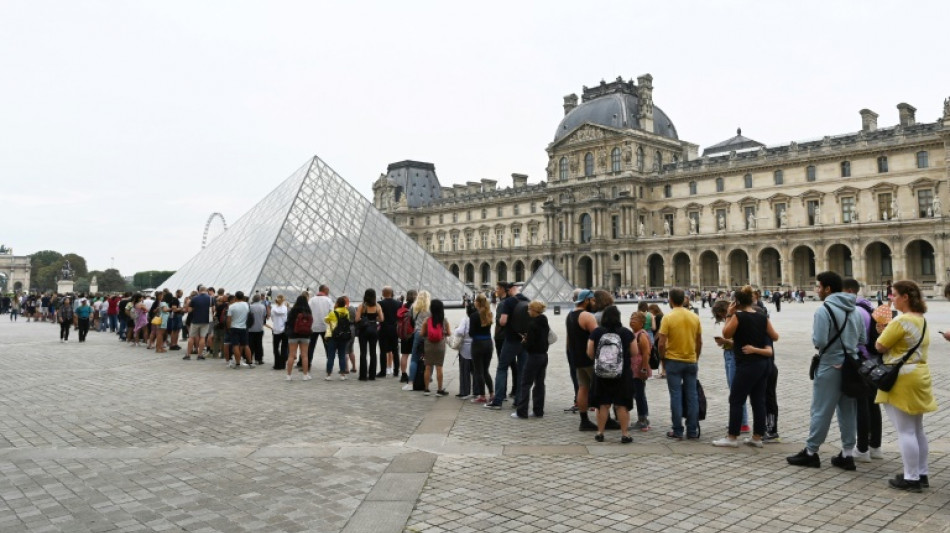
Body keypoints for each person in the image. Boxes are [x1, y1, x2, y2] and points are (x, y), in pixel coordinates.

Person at [787, 271, 864, 470]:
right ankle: (847, 455)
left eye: (818, 286)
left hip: (830, 364)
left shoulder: (824, 310)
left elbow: (819, 341)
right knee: (848, 411)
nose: (817, 290)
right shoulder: (854, 310)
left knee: (821, 410)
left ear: (828, 289)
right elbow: (863, 340)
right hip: (851, 367)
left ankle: (811, 452)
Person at [874, 280, 937, 492]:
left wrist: (882, 330)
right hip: (919, 374)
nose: (891, 298)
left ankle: (911, 478)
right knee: (917, 429)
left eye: (893, 295)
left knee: (905, 431)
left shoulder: (900, 321)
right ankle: (922, 472)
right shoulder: (922, 320)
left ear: (905, 297)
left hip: (900, 377)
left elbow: (880, 346)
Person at [711, 286, 779, 448]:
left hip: (747, 364)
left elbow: (726, 334)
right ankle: (757, 437)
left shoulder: (738, 316)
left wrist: (729, 314)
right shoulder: (762, 316)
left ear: (737, 302)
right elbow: (775, 336)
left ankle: (732, 437)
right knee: (758, 400)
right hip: (763, 364)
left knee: (736, 399)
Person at [842, 278, 884, 462]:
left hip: (861, 361)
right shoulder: (868, 308)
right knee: (874, 405)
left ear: (849, 291)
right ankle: (875, 446)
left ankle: (862, 449)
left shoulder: (855, 311)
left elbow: (855, 339)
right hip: (874, 361)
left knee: (862, 405)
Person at [587, 305, 636, 443]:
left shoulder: (596, 332)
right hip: (622, 374)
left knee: (603, 404)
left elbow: (590, 352)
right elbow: (635, 352)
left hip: (601, 374)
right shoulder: (626, 333)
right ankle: (625, 434)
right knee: (621, 405)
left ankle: (600, 432)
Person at [659, 288, 702, 440]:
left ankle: (677, 430)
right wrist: (696, 356)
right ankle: (692, 431)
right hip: (691, 360)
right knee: (692, 396)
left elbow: (662, 342)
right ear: (684, 299)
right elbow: (699, 341)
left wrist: (662, 357)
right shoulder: (694, 317)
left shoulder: (668, 318)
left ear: (670, 300)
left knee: (675, 396)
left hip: (673, 361)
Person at [486, 282, 530, 409]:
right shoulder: (527, 300)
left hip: (511, 339)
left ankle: (498, 401)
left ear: (510, 290)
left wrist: (500, 320)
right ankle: (519, 400)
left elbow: (503, 321)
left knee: (502, 367)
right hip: (525, 340)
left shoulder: (509, 302)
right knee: (522, 369)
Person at [712, 300, 750, 433]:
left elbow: (742, 343)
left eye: (721, 314)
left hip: (735, 356)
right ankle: (740, 421)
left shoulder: (737, 319)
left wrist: (725, 341)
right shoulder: (731, 319)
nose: (722, 317)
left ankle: (743, 423)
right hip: (728, 355)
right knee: (734, 390)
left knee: (736, 391)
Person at [565, 289, 599, 430]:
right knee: (600, 388)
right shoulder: (587, 316)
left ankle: (584, 420)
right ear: (586, 300)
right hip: (590, 359)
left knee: (583, 388)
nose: (594, 303)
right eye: (592, 300)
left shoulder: (570, 315)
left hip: (577, 358)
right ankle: (606, 419)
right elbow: (598, 336)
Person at [513, 300, 551, 419]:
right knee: (539, 384)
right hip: (544, 355)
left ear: (535, 310)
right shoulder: (544, 321)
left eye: (529, 309)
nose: (528, 311)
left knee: (525, 383)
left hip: (534, 356)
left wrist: (525, 341)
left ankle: (522, 412)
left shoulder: (532, 324)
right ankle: (538, 411)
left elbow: (530, 345)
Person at [468, 293, 495, 403]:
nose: (474, 302)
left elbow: (471, 333)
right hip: (488, 343)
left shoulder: (474, 316)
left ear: (478, 303)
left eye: (475, 301)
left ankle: (482, 396)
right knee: (485, 370)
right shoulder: (489, 314)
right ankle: (492, 393)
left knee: (478, 371)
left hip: (478, 344)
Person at [629, 311, 652, 430]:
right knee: (639, 394)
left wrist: (643, 369)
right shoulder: (635, 333)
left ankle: (642, 419)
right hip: (635, 370)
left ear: (642, 322)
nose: (632, 321)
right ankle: (644, 418)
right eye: (631, 318)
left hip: (639, 370)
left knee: (639, 394)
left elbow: (646, 353)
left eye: (635, 319)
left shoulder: (641, 335)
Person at [404, 290, 431, 390]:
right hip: (428, 335)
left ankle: (411, 383)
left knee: (414, 359)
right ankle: (427, 382)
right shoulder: (430, 308)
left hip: (417, 333)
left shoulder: (414, 307)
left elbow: (411, 321)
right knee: (428, 360)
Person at [422, 299, 449, 396]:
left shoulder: (427, 320)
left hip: (428, 345)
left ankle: (426, 389)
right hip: (440, 345)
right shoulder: (444, 320)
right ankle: (439, 389)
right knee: (439, 367)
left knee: (428, 367)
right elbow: (449, 333)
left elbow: (422, 333)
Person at [355, 288, 383, 381]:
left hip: (363, 331)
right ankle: (372, 375)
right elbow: (381, 319)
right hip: (374, 330)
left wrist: (364, 319)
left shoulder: (362, 306)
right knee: (373, 352)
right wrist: (374, 320)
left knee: (363, 353)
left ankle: (363, 375)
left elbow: (357, 319)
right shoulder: (377, 306)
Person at [285, 294, 312, 380]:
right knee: (304, 355)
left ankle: (289, 375)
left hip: (293, 334)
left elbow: (288, 322)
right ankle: (305, 375)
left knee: (291, 355)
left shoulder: (293, 311)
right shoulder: (308, 311)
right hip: (305, 335)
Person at [324, 296, 351, 380]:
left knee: (331, 356)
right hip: (343, 336)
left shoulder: (333, 313)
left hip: (333, 336)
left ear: (337, 304)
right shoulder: (347, 312)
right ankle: (342, 375)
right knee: (342, 355)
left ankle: (329, 375)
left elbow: (326, 320)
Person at [307, 285, 333, 368]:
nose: (329, 292)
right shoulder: (328, 300)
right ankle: (329, 365)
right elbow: (331, 314)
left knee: (310, 347)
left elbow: (308, 312)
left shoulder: (311, 300)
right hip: (325, 327)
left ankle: (307, 364)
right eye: (328, 290)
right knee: (328, 347)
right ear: (324, 290)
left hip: (313, 326)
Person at [378, 286, 401, 378]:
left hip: (383, 329)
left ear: (383, 293)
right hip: (394, 329)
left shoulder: (380, 303)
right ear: (391, 293)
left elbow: (379, 316)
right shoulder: (398, 303)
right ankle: (396, 371)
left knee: (383, 351)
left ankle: (383, 371)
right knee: (395, 350)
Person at [226, 291, 253, 368]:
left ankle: (237, 363)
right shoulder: (246, 305)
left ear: (235, 297)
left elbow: (229, 319)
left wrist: (229, 328)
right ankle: (250, 362)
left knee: (235, 345)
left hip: (234, 327)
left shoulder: (232, 306)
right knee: (246, 345)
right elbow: (248, 315)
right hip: (244, 327)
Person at [185, 285, 212, 361]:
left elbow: (189, 310)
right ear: (206, 291)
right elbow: (213, 309)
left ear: (199, 291)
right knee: (202, 337)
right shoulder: (210, 298)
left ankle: (188, 355)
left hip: (195, 320)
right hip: (206, 320)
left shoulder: (194, 298)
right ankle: (199, 355)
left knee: (191, 337)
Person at [398, 290, 417, 383]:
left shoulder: (404, 306)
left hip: (404, 334)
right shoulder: (416, 306)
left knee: (404, 355)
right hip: (413, 333)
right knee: (415, 355)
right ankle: (415, 374)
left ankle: (403, 374)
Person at [455, 311, 474, 399]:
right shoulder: (480, 318)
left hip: (465, 348)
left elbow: (460, 332)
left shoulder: (465, 319)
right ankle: (476, 390)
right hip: (475, 347)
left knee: (464, 371)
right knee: (476, 371)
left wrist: (456, 328)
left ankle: (464, 391)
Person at [270, 294, 289, 370]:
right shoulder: (285, 308)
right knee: (284, 348)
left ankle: (277, 364)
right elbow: (286, 319)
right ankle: (283, 364)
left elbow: (272, 318)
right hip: (284, 330)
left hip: (276, 330)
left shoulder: (273, 309)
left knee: (275, 348)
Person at [248, 294, 267, 365]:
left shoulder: (250, 307)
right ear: (259, 299)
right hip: (259, 328)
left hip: (251, 328)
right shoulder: (263, 307)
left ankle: (249, 358)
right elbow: (264, 316)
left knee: (250, 344)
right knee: (259, 344)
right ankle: (259, 359)